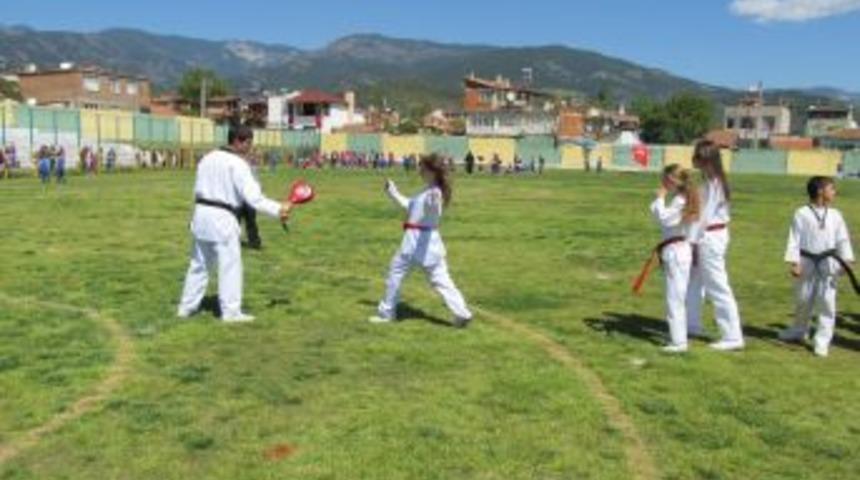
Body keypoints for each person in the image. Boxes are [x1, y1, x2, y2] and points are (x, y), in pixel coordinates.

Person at [177, 125, 292, 323]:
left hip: (201, 213)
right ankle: (231, 312)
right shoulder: (238, 164)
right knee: (229, 265)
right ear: (240, 141)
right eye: (249, 143)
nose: (250, 148)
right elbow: (253, 198)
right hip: (222, 216)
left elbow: (198, 189)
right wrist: (278, 208)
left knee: (198, 265)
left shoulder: (207, 158)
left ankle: (186, 307)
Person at [369, 154, 473, 328]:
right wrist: (392, 192)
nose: (420, 171)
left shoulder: (434, 192)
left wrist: (434, 200)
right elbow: (409, 206)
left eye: (422, 168)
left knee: (395, 273)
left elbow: (434, 209)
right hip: (429, 243)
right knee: (442, 280)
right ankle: (462, 313)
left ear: (432, 171)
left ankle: (387, 313)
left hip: (416, 242)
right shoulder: (428, 190)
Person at [779, 176, 855, 357]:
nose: (835, 192)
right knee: (803, 299)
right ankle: (798, 330)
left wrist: (847, 260)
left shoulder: (836, 215)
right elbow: (794, 239)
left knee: (827, 302)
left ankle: (822, 341)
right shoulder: (801, 213)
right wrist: (794, 262)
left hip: (828, 262)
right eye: (832, 189)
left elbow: (842, 239)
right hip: (806, 260)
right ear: (820, 191)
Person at [685, 140, 745, 351]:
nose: (696, 162)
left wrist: (690, 243)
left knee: (717, 286)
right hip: (708, 235)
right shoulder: (710, 182)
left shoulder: (715, 184)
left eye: (699, 158)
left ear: (708, 160)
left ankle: (732, 335)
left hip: (710, 237)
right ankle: (691, 324)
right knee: (694, 283)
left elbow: (703, 217)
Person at [648, 165, 700, 353]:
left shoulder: (680, 200)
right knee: (676, 296)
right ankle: (679, 337)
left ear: (672, 180)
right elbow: (660, 216)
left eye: (664, 180)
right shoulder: (683, 198)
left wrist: (660, 197)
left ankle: (679, 342)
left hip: (677, 250)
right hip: (678, 249)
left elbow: (665, 220)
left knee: (674, 298)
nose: (662, 184)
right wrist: (659, 200)